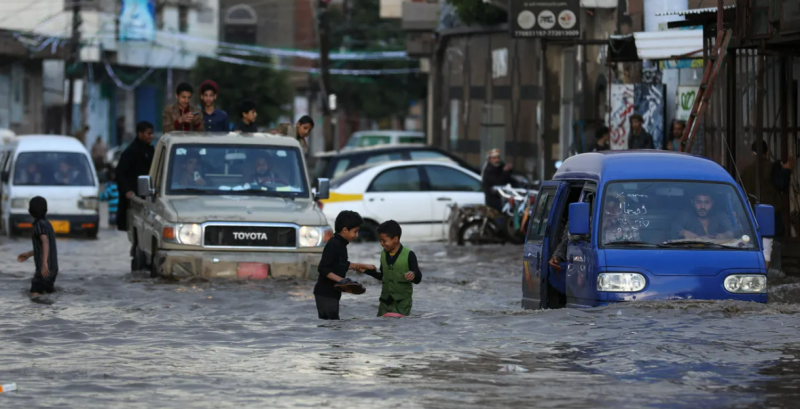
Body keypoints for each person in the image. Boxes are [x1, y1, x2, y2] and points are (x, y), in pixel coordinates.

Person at [741, 140, 795, 270]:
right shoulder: (772, 167)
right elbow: (781, 184)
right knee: (771, 244)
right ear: (768, 152)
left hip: (751, 213)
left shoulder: (745, 171)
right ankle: (770, 271)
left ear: (752, 153)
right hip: (771, 213)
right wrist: (787, 171)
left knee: (754, 243)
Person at [313, 210, 374, 320]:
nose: (357, 235)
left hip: (332, 293)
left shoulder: (341, 244)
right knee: (331, 324)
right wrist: (342, 280)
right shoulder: (333, 244)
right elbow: (323, 268)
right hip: (325, 293)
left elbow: (340, 264)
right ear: (345, 230)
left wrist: (362, 266)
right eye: (355, 231)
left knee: (332, 323)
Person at [549, 196, 637, 271]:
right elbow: (571, 237)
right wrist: (601, 227)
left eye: (616, 209)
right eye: (609, 209)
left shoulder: (626, 226)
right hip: (593, 265)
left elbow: (635, 244)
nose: (612, 213)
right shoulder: (590, 223)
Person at [362, 220, 422, 317]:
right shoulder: (383, 254)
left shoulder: (409, 255)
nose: (382, 243)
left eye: (384, 241)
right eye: (380, 240)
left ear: (395, 239)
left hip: (402, 303)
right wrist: (366, 271)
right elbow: (383, 276)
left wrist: (413, 274)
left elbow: (418, 278)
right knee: (382, 327)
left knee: (398, 328)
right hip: (385, 302)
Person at [115, 121, 155, 232]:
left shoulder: (150, 151)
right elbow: (120, 173)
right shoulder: (130, 152)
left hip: (149, 197)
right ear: (140, 134)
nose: (151, 136)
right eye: (149, 133)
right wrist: (127, 191)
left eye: (152, 133)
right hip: (134, 199)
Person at [17, 196, 58, 300]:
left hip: (45, 269)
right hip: (53, 268)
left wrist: (44, 264)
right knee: (47, 292)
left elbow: (45, 242)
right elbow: (42, 247)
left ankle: (38, 314)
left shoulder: (38, 225)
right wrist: (28, 254)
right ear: (46, 210)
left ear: (30, 211)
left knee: (34, 292)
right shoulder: (47, 224)